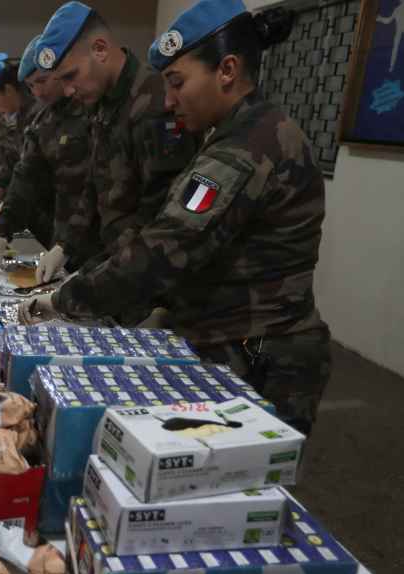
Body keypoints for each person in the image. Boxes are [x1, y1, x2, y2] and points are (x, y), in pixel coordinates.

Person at [22, 0, 330, 436]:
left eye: (177, 83)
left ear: (226, 70)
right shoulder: (236, 134)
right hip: (231, 337)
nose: (167, 100)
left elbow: (162, 250)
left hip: (262, 354)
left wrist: (64, 300)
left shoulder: (244, 151)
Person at [29, 1, 198, 294]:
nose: (68, 91)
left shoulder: (154, 103)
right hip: (117, 266)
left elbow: (159, 213)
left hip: (147, 277)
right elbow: (95, 183)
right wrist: (65, 246)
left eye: (70, 76)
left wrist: (97, 272)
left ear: (100, 49)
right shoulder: (103, 101)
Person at [0, 35, 94, 268]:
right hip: (61, 236)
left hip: (97, 242)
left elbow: (98, 186)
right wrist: (1, 232)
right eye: (31, 86)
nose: (38, 92)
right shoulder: (43, 120)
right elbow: (24, 175)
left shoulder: (92, 109)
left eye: (42, 81)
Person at [0, 53, 38, 205]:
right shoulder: (8, 119)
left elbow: (31, 167)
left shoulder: (36, 114)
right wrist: (0, 186)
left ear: (9, 90)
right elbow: (9, 163)